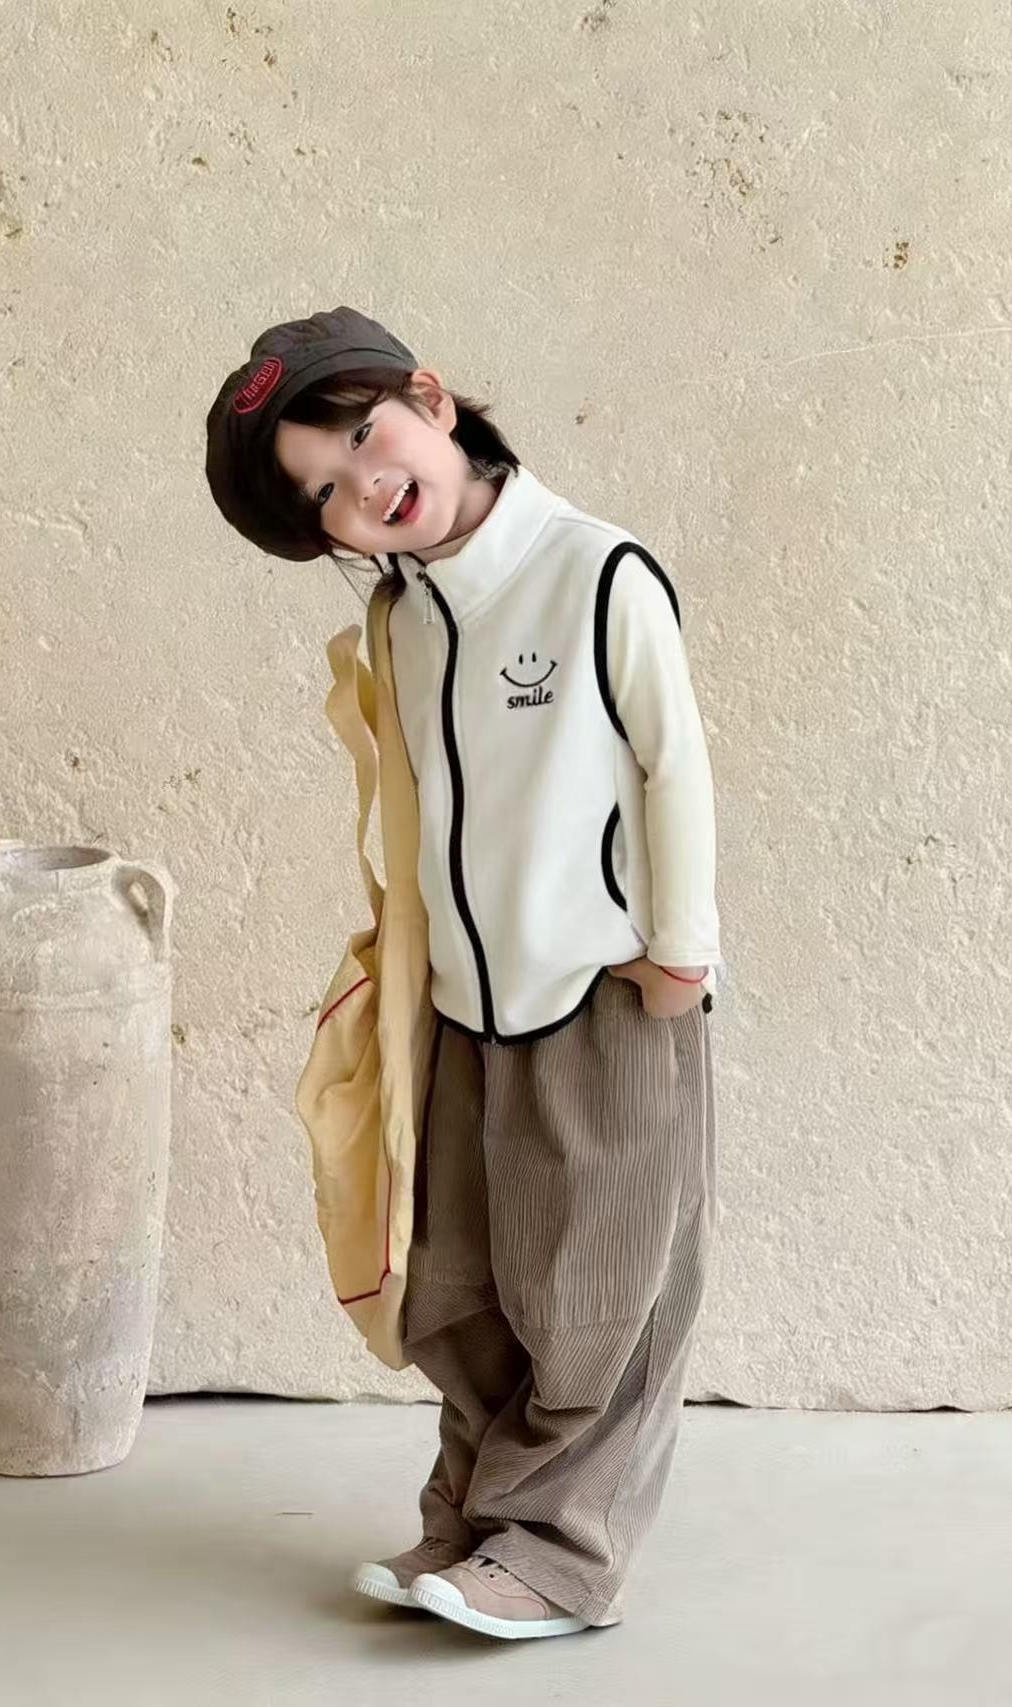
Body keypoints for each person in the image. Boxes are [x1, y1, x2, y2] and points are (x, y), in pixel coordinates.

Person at [204, 306, 722, 1642]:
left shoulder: (594, 571)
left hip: (604, 994)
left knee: (599, 1291)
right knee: (457, 1287)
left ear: (430, 402)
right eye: (325, 493)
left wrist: (680, 951)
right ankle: (481, 1517)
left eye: (363, 438)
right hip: (458, 1009)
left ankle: (561, 1555)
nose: (365, 487)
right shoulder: (408, 619)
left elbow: (673, 766)